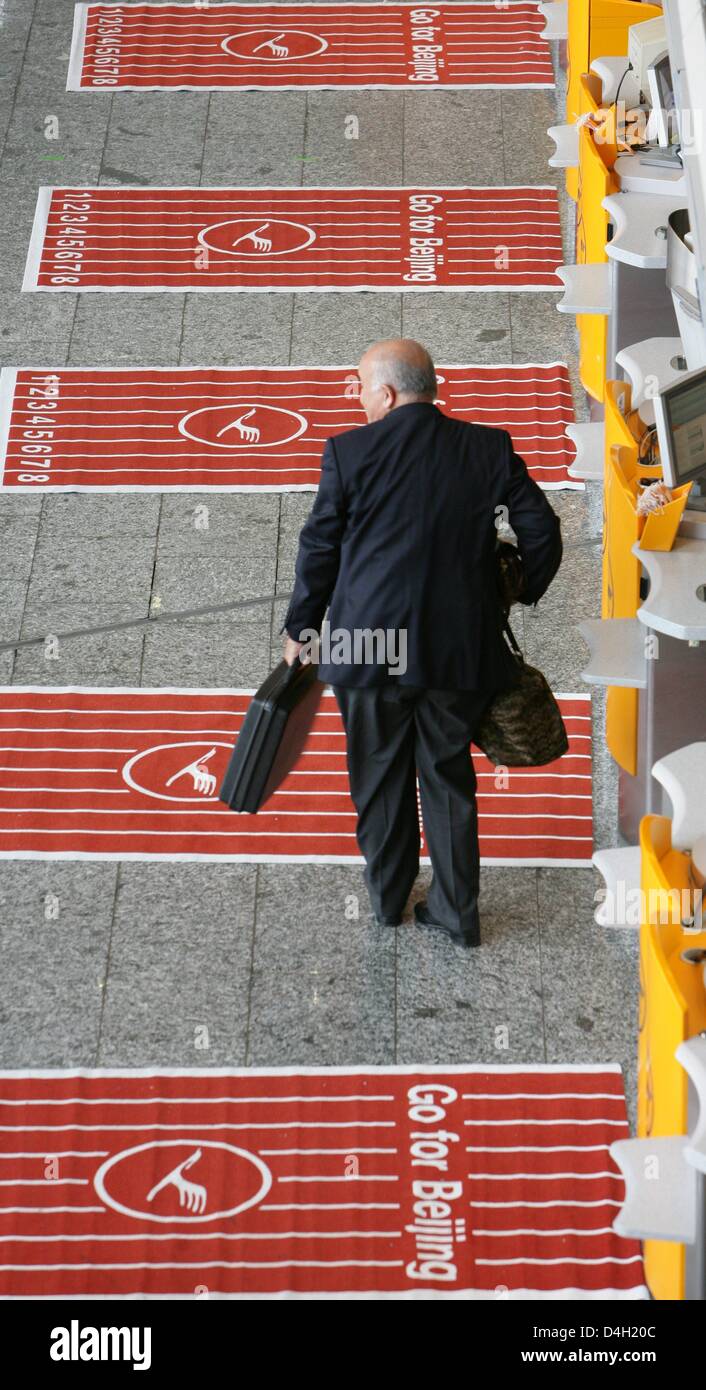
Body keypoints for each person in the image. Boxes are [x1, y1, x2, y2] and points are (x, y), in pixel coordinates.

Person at [281, 339, 562, 947]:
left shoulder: (348, 452)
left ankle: (387, 901)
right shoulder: (487, 446)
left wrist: (302, 629)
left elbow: (320, 547)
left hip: (366, 644)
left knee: (377, 776)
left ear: (385, 393)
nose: (355, 396)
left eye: (359, 384)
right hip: (458, 647)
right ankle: (458, 914)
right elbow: (541, 527)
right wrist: (518, 591)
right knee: (446, 773)